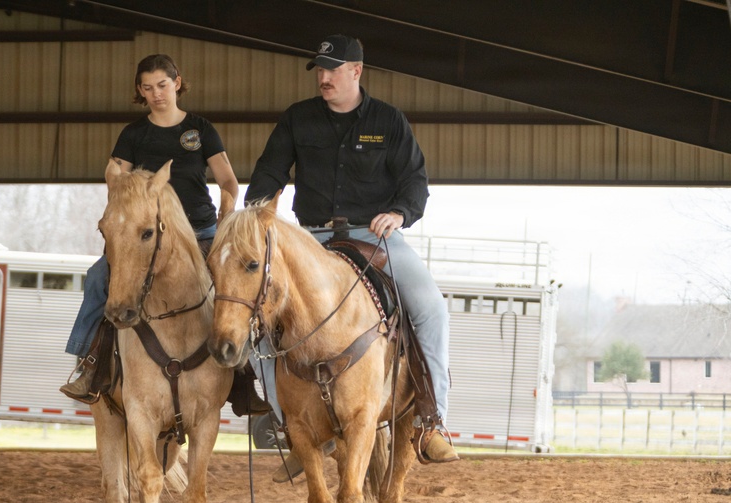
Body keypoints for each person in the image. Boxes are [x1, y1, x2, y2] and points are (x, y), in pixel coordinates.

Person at [245, 34, 458, 476]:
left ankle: (430, 420)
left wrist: (400, 213)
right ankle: (288, 423)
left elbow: (414, 181)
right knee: (253, 313)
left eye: (332, 70)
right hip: (312, 239)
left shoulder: (389, 120)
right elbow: (270, 170)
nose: (323, 78)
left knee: (432, 309)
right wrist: (256, 215)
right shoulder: (297, 119)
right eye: (320, 70)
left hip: (374, 238)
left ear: (356, 71)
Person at [62, 54, 265, 414]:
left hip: (199, 231)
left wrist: (227, 207)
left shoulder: (200, 129)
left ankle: (245, 378)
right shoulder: (133, 134)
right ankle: (89, 363)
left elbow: (229, 180)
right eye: (147, 87)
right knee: (98, 278)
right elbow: (117, 180)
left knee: (233, 289)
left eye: (162, 85)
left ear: (177, 83)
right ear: (140, 91)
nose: (156, 93)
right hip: (146, 238)